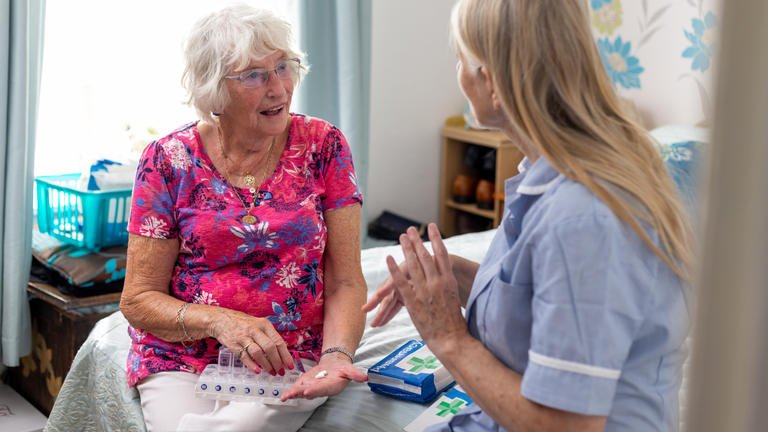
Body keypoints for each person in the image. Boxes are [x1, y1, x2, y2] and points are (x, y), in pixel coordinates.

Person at [363, 0, 694, 431]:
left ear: (494, 83)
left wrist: (448, 337)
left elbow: (566, 426)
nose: (459, 74)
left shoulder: (584, 218)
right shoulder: (549, 175)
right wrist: (454, 277)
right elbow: (545, 294)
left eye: (461, 58)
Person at [119, 4, 368, 431]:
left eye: (284, 67)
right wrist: (219, 320)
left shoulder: (324, 145)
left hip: (287, 352)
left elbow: (346, 279)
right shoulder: (167, 160)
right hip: (183, 352)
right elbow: (138, 299)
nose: (279, 88)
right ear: (215, 89)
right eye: (255, 75)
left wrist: (335, 357)